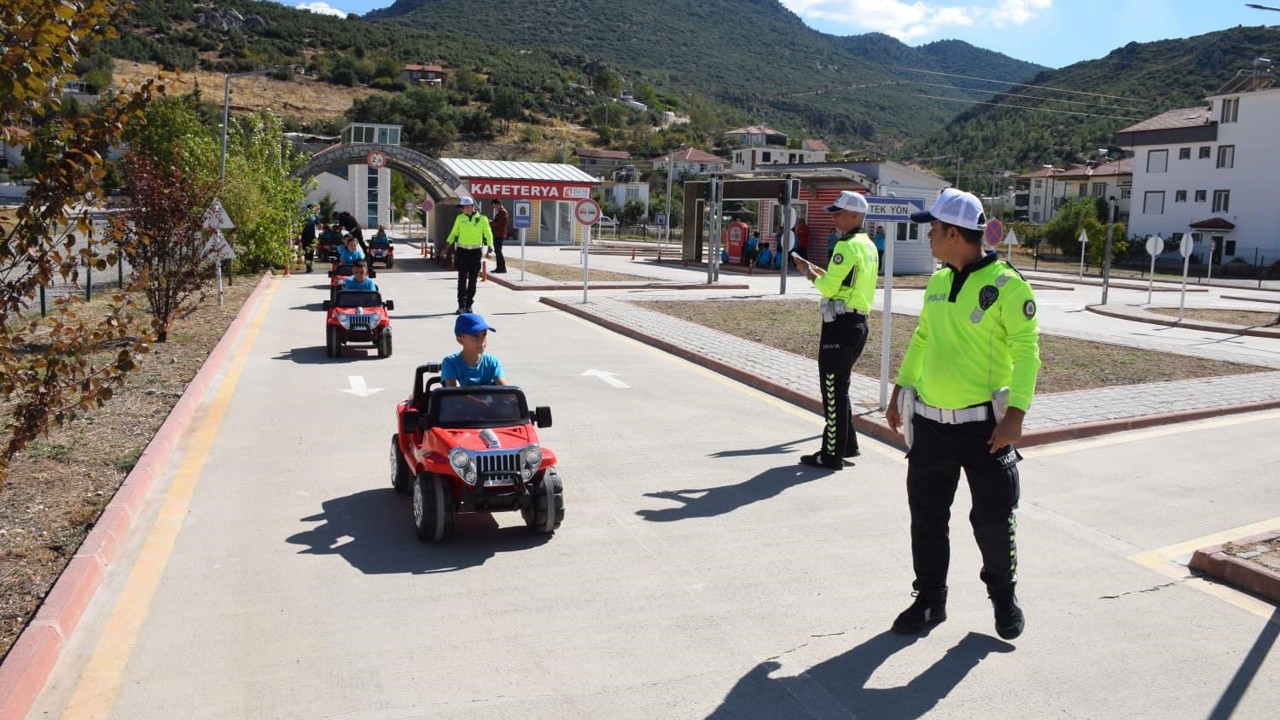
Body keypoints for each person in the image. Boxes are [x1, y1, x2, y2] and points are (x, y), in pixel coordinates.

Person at [884, 188, 1041, 642]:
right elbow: (921, 339)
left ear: (954, 233)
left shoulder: (1010, 286)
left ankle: (1003, 596)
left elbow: (1028, 352)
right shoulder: (937, 282)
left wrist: (1016, 415)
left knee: (992, 521)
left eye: (933, 228)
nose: (929, 235)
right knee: (927, 517)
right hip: (932, 425)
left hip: (985, 430)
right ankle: (931, 599)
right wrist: (901, 388)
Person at [791, 190, 877, 471]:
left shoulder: (845, 246)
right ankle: (847, 445)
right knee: (842, 388)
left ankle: (831, 455)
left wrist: (807, 272)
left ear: (855, 215)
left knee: (832, 390)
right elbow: (845, 283)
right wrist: (818, 270)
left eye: (839, 213)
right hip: (858, 322)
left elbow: (829, 289)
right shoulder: (868, 245)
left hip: (839, 326)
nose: (835, 218)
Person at [445, 196, 494, 314]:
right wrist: (446, 246)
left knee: (472, 280)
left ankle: (469, 305)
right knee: (462, 279)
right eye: (461, 207)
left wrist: (490, 247)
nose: (462, 209)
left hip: (475, 252)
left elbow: (488, 233)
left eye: (463, 207)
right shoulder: (459, 218)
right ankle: (461, 305)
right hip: (462, 252)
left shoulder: (482, 219)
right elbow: (454, 233)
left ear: (471, 206)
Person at [441, 312, 507, 387]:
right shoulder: (450, 363)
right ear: (460, 340)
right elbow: (453, 394)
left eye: (484, 334)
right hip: (462, 399)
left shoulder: (492, 362)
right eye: (475, 336)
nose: (482, 340)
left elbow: (505, 390)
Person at [489, 199, 509, 273]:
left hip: (499, 234)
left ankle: (502, 268)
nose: (495, 208)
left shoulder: (503, 212)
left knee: (498, 251)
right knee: (497, 251)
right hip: (497, 234)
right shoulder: (500, 212)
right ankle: (499, 267)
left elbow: (498, 223)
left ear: (498, 204)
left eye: (494, 207)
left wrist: (490, 222)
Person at [300, 205, 318, 272]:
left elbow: (300, 227)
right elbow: (318, 225)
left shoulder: (303, 217)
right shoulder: (314, 217)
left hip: (306, 237)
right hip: (310, 237)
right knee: (310, 253)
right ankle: (309, 267)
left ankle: (309, 267)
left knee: (307, 253)